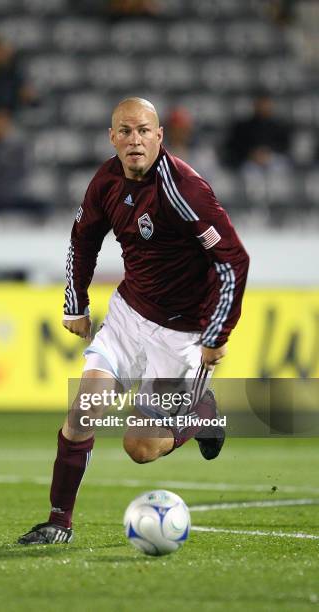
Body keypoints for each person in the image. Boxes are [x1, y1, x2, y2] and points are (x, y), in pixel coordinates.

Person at [18, 97, 249, 545]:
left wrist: (218, 332)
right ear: (112, 138)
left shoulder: (185, 189)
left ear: (159, 136)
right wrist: (75, 304)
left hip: (182, 333)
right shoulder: (106, 181)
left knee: (139, 449)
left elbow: (232, 260)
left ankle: (199, 415)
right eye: (125, 131)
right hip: (128, 316)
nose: (135, 139)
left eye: (144, 130)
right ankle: (57, 523)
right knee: (82, 411)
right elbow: (82, 239)